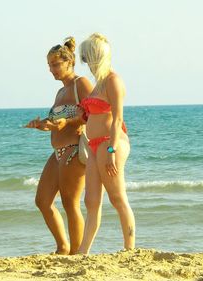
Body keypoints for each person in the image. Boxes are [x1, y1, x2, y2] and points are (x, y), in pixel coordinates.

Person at [25, 37, 93, 255]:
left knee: (70, 203)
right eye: (49, 65)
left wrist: (72, 123)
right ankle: (63, 246)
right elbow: (57, 124)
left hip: (74, 150)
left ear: (69, 62)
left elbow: (94, 113)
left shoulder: (80, 84)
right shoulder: (60, 92)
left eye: (55, 64)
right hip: (57, 153)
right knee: (43, 200)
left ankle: (77, 253)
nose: (51, 69)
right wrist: (42, 125)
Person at [77, 33, 135, 254]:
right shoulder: (97, 84)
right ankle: (83, 251)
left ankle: (129, 249)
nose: (85, 62)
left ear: (95, 56)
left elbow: (118, 118)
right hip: (94, 146)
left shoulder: (113, 81)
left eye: (86, 57)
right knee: (91, 201)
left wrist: (111, 149)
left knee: (117, 197)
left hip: (112, 143)